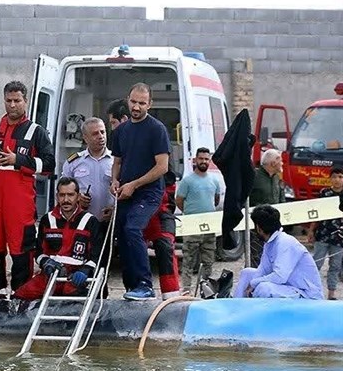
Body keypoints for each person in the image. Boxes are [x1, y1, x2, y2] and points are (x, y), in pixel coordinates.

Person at [0, 81, 55, 297]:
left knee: (22, 249)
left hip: (20, 204)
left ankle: (21, 294)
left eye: (17, 100)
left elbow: (49, 165)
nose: (12, 105)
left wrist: (17, 159)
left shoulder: (35, 131)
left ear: (26, 102)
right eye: (8, 101)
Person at [107, 98, 180, 300]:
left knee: (162, 245)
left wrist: (134, 185)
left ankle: (161, 292)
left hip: (155, 199)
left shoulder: (157, 130)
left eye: (141, 102)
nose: (136, 107)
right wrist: (114, 181)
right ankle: (133, 288)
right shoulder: (121, 133)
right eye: (133, 102)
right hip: (127, 196)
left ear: (149, 104)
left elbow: (163, 168)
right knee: (124, 237)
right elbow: (117, 163)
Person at [14, 176, 102, 300]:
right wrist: (46, 263)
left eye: (70, 195)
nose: (66, 200)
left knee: (76, 303)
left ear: (78, 196)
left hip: (76, 277)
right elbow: (39, 252)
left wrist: (85, 270)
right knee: (19, 297)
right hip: (51, 275)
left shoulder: (90, 221)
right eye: (62, 195)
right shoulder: (47, 220)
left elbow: (97, 255)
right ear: (57, 196)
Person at [233, 205, 323, 299]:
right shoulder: (270, 242)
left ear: (259, 228)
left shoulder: (284, 242)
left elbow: (280, 277)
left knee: (263, 288)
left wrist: (254, 283)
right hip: (289, 286)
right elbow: (263, 270)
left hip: (306, 294)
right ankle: (236, 307)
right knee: (247, 272)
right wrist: (252, 283)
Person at [176, 147, 222, 294]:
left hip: (209, 226)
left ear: (210, 161)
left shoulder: (214, 180)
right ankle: (186, 290)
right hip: (192, 226)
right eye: (201, 158)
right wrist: (190, 214)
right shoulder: (187, 181)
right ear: (195, 160)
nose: (203, 161)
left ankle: (206, 289)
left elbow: (215, 200)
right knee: (189, 260)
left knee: (208, 260)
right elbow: (179, 201)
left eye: (206, 159)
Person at [62, 117, 114, 224]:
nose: (101, 136)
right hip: (81, 221)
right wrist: (77, 199)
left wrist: (115, 209)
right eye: (95, 134)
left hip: (109, 222)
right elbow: (62, 192)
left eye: (102, 132)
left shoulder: (116, 161)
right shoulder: (74, 162)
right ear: (85, 138)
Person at [308, 166, 343, 300]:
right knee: (316, 263)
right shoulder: (324, 193)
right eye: (334, 177)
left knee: (335, 265)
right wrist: (311, 230)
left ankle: (332, 293)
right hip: (322, 234)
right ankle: (311, 290)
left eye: (340, 177)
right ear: (330, 179)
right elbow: (316, 214)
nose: (337, 180)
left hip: (339, 237)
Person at [249, 148, 286, 267]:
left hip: (274, 227)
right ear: (273, 163)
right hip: (257, 228)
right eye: (280, 161)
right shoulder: (253, 176)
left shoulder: (276, 178)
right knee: (257, 258)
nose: (282, 163)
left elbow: (281, 198)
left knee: (274, 256)